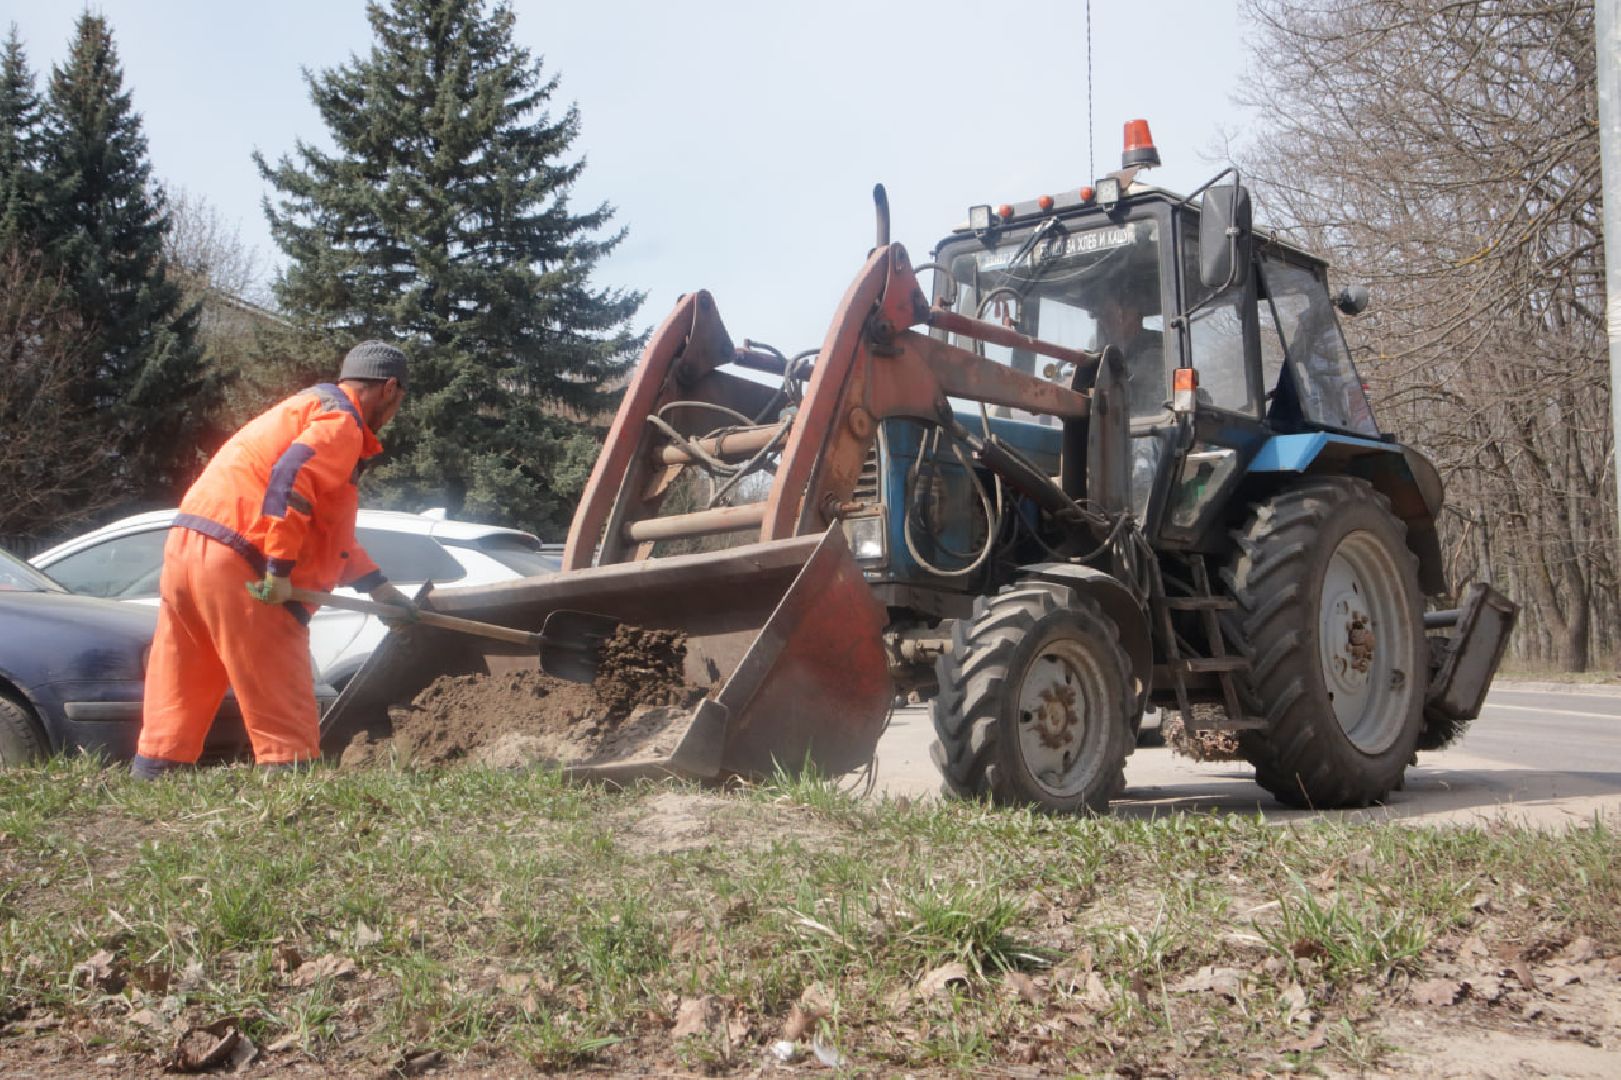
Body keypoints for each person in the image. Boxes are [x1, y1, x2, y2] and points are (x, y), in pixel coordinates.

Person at [132, 341, 416, 778]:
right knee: (282, 704)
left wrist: (378, 587)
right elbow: (291, 480)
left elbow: (327, 534)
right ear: (390, 388)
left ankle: (153, 779)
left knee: (182, 681)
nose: (395, 412)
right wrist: (279, 569)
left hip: (189, 545)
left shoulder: (301, 410)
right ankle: (292, 805)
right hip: (245, 560)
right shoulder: (342, 422)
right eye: (399, 400)